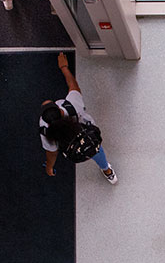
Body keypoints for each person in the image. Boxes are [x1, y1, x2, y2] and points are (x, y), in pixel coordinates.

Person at [40, 52, 117, 184]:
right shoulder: (73, 106)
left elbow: (51, 151)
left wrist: (49, 166)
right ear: (59, 110)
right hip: (86, 134)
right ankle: (107, 171)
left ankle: (107, 170)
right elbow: (74, 87)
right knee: (96, 150)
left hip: (72, 148)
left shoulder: (45, 130)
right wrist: (64, 68)